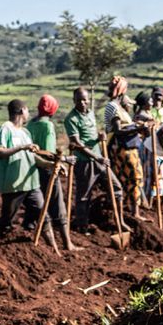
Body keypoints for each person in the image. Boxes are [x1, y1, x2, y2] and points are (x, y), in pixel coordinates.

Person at [0, 99, 48, 239]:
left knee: (43, 214)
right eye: (28, 110)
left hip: (30, 183)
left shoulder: (25, 133)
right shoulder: (6, 128)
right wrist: (21, 147)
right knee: (7, 221)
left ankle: (54, 249)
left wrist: (51, 165)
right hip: (14, 186)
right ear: (23, 111)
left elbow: (32, 157)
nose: (29, 113)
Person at [26, 95, 76, 251]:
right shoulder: (47, 126)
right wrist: (65, 159)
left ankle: (46, 241)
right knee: (58, 204)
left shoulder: (30, 124)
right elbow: (48, 153)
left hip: (33, 169)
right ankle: (67, 244)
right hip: (47, 169)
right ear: (53, 110)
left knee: (41, 205)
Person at [64, 87, 108, 233]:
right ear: (74, 101)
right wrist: (97, 157)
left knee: (116, 189)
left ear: (88, 100)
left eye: (84, 100)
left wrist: (100, 137)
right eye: (79, 100)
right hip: (85, 161)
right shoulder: (71, 119)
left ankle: (116, 220)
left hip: (99, 158)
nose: (82, 103)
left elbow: (92, 136)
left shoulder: (91, 114)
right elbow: (77, 144)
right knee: (84, 196)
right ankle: (82, 226)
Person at [103, 76, 146, 223]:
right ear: (122, 93)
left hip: (128, 147)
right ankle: (132, 213)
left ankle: (132, 211)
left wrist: (136, 126)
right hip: (122, 149)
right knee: (134, 178)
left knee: (132, 179)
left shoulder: (119, 108)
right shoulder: (113, 107)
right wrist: (138, 127)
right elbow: (118, 130)